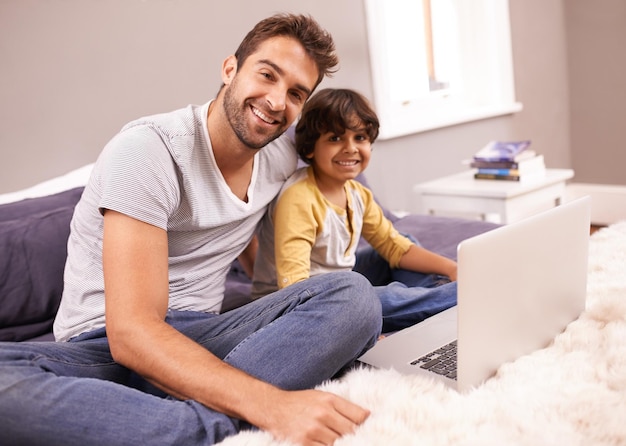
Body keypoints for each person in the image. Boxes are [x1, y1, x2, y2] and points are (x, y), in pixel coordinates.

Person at [0, 15, 382, 446]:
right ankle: (216, 425)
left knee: (353, 295)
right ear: (230, 69)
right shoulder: (147, 151)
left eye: (296, 93)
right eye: (267, 74)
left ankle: (156, 421)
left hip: (207, 337)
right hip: (104, 345)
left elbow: (340, 175)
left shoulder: (282, 154)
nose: (277, 101)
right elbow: (131, 333)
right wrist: (272, 405)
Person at [252, 88, 457, 333]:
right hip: (298, 301)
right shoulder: (299, 198)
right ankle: (447, 296)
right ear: (310, 148)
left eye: (360, 138)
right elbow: (295, 287)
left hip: (338, 282)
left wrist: (452, 267)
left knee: (403, 244)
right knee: (373, 296)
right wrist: (354, 328)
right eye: (335, 139)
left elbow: (393, 246)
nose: (350, 148)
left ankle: (436, 292)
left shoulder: (357, 193)